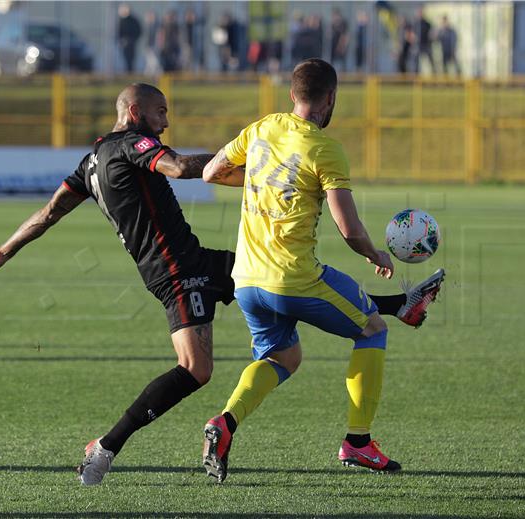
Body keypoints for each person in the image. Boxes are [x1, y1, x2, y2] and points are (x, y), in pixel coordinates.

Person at [0, 83, 440, 486]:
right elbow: (178, 167)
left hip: (195, 261)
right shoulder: (134, 144)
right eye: (160, 113)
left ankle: (398, 305)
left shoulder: (88, 164)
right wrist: (266, 161)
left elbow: (49, 213)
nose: (165, 122)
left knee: (277, 282)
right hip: (178, 273)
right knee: (196, 369)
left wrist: (5, 250)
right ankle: (105, 446)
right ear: (135, 114)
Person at [200, 59, 434, 482]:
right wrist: (375, 255)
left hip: (247, 280)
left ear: (292, 95)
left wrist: (265, 178)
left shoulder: (261, 128)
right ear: (330, 99)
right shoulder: (326, 149)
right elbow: (349, 228)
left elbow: (211, 172)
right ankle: (358, 443)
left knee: (282, 356)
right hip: (294, 277)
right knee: (371, 329)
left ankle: (225, 422)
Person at [116, 4, 142, 73]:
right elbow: (118, 32)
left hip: (131, 42)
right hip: (123, 42)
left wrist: (133, 39)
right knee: (124, 58)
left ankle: (130, 71)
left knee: (131, 58)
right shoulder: (121, 20)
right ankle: (126, 71)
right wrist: (121, 40)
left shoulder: (134, 20)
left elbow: (138, 31)